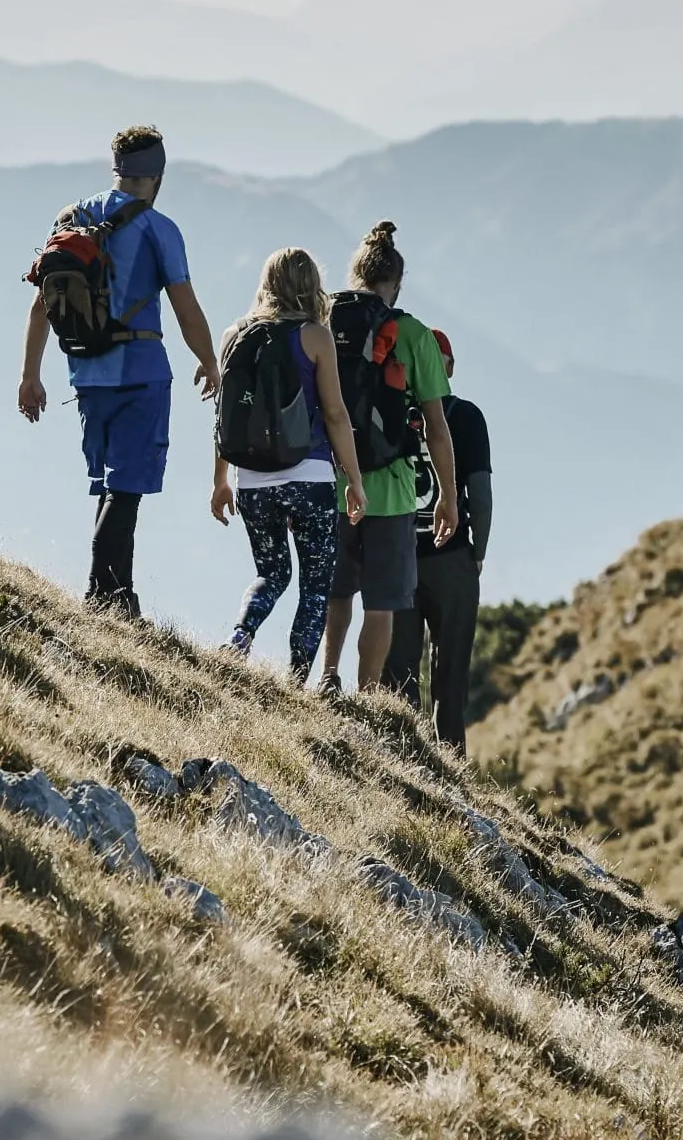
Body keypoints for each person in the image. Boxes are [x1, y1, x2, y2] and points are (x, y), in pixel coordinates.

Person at [17, 126, 218, 619]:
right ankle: (101, 594)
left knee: (110, 486)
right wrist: (210, 360)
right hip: (141, 373)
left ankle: (120, 594)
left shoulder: (72, 218)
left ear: (117, 168)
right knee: (125, 487)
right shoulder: (159, 229)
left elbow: (41, 306)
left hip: (85, 373)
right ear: (158, 176)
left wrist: (30, 375)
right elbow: (186, 308)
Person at [210, 248, 366, 682]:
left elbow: (224, 417)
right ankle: (297, 679)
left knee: (271, 572)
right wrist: (353, 479)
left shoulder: (233, 335)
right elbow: (335, 414)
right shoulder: (316, 336)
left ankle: (241, 634)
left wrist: (220, 480)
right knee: (316, 586)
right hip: (310, 476)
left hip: (252, 482)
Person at [319, 222, 457, 693]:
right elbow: (436, 426)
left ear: (354, 274)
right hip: (393, 490)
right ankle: (369, 694)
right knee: (380, 602)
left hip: (333, 482)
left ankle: (328, 678)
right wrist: (447, 496)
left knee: (336, 592)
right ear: (395, 285)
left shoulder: (324, 321)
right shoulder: (414, 333)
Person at [384, 328, 493, 749]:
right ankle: (452, 775)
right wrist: (476, 553)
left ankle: (404, 768)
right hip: (452, 562)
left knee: (399, 679)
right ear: (448, 366)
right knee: (450, 685)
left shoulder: (390, 412)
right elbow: (479, 498)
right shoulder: (465, 417)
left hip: (397, 558)